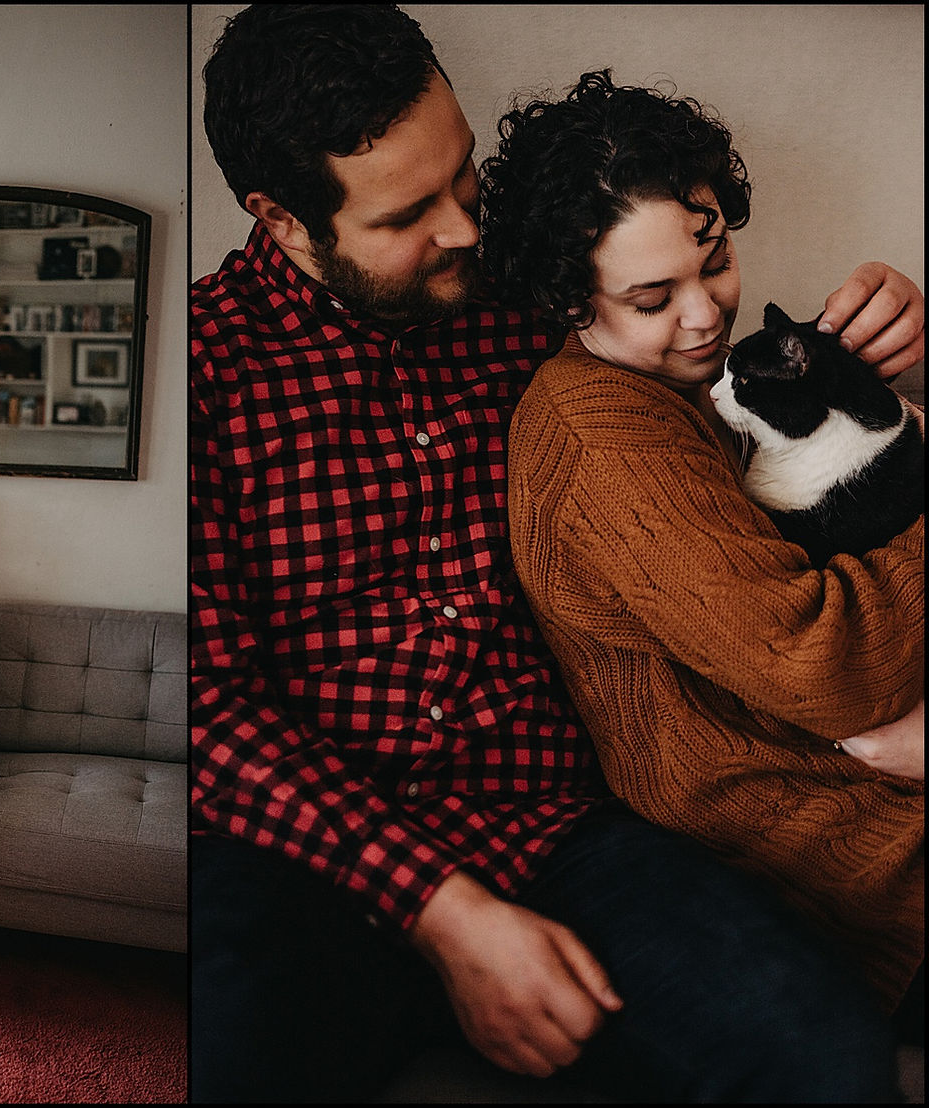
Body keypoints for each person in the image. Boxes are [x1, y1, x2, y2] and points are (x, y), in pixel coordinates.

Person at [191, 5, 925, 1102]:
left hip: (562, 827)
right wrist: (441, 905)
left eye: (465, 180)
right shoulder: (210, 371)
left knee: (821, 1058)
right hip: (311, 852)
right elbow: (208, 706)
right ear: (285, 221)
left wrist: (877, 361)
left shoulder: (533, 294)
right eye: (408, 214)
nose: (464, 230)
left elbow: (705, 372)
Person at [479, 67, 922, 1017]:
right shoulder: (606, 438)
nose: (705, 314)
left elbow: (865, 491)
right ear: (569, 303)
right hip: (861, 863)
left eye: (713, 262)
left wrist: (899, 381)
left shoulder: (700, 381)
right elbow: (828, 667)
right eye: (651, 298)